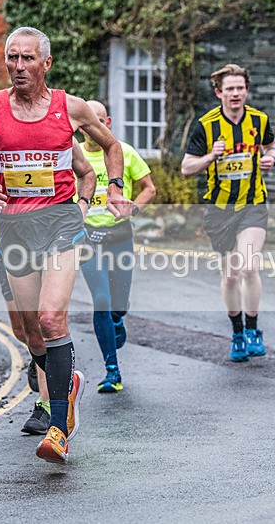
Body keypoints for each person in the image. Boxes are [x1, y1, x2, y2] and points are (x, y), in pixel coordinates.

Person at [0, 26, 134, 463]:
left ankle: (58, 427)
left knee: (53, 318)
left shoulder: (70, 109)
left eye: (28, 58)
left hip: (59, 223)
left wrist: (111, 188)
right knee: (31, 329)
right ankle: (66, 382)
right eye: (12, 58)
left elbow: (111, 147)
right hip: (15, 228)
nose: (19, 66)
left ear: (46, 63)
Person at [0, 138, 94, 435]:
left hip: (51, 236)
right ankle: (43, 363)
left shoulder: (55, 134)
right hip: (7, 239)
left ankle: (47, 403)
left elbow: (84, 173)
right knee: (23, 330)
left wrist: (80, 206)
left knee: (47, 320)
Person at [181, 63, 275, 363]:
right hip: (220, 210)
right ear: (219, 93)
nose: (235, 93)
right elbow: (186, 168)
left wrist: (270, 158)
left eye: (240, 88)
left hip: (253, 204)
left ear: (246, 91)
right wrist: (212, 156)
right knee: (231, 276)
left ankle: (253, 330)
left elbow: (272, 146)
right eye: (230, 89)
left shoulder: (259, 120)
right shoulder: (206, 125)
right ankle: (237, 332)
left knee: (250, 266)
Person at [79, 100, 156, 393]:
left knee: (118, 305)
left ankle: (117, 320)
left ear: (107, 122)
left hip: (120, 236)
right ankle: (112, 370)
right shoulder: (74, 156)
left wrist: (133, 209)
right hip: (87, 239)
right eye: (88, 123)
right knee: (101, 299)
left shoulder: (123, 152)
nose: (93, 128)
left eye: (99, 121)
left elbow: (149, 187)